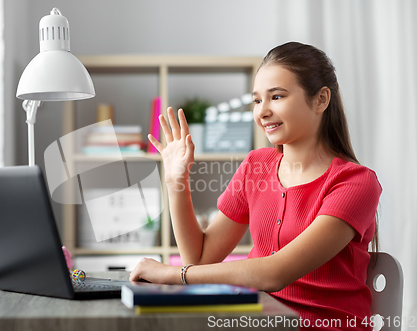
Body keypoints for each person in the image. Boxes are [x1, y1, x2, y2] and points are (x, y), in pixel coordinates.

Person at [129, 42, 382, 331]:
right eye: (257, 101)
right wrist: (176, 181)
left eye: (277, 96)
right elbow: (198, 258)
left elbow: (275, 273)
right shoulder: (256, 165)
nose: (263, 112)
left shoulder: (355, 183)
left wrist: (171, 275)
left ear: (321, 100)